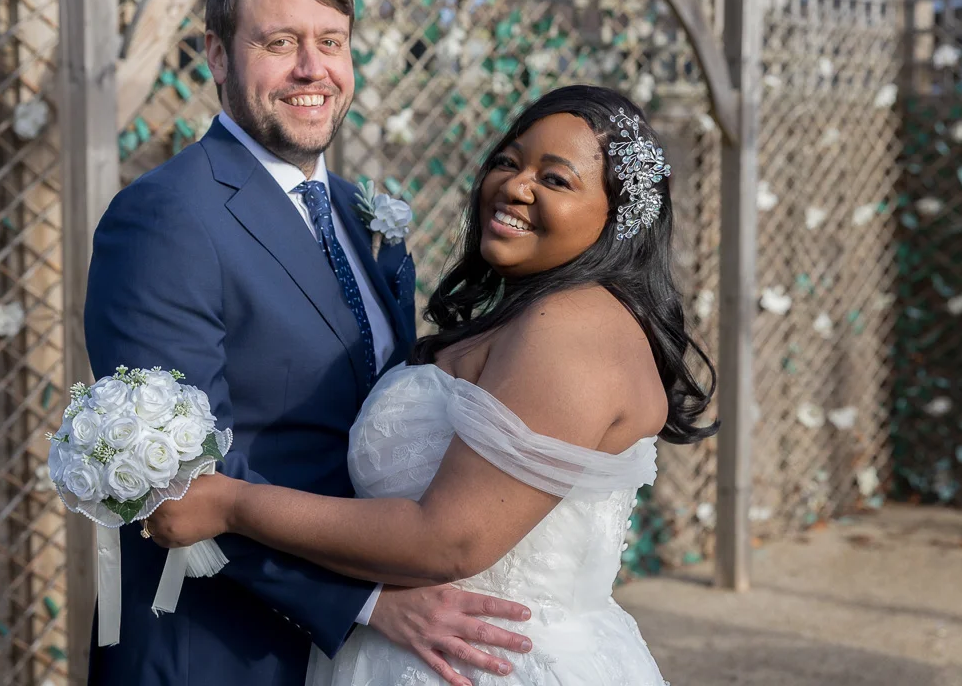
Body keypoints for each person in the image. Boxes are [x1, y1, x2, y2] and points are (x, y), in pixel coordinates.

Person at [146, 84, 719, 686]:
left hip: (488, 665)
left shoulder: (571, 328)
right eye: (507, 160)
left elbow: (450, 540)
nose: (515, 186)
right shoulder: (535, 314)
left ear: (617, 216)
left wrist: (230, 504)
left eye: (555, 179)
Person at [83, 0, 532, 686]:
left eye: (331, 43)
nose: (311, 69)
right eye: (280, 43)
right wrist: (363, 600)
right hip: (218, 643)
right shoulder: (165, 217)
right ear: (218, 57)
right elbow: (177, 479)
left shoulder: (361, 216)